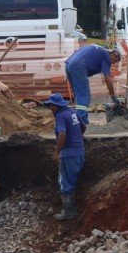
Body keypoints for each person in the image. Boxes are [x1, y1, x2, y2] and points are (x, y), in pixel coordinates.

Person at [43, 93, 85, 221]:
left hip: (68, 155)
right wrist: (76, 138)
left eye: (52, 106)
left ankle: (69, 212)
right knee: (71, 181)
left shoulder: (61, 116)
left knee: (64, 183)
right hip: (79, 151)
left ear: (57, 105)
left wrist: (56, 152)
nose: (50, 108)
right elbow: (83, 127)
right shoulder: (72, 112)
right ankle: (71, 210)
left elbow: (62, 135)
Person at [65, 44, 122, 125]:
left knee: (79, 96)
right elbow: (108, 80)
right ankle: (82, 123)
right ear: (113, 54)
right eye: (116, 60)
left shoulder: (99, 49)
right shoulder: (106, 56)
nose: (113, 62)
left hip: (69, 64)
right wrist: (113, 97)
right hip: (79, 66)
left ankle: (76, 121)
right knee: (84, 96)